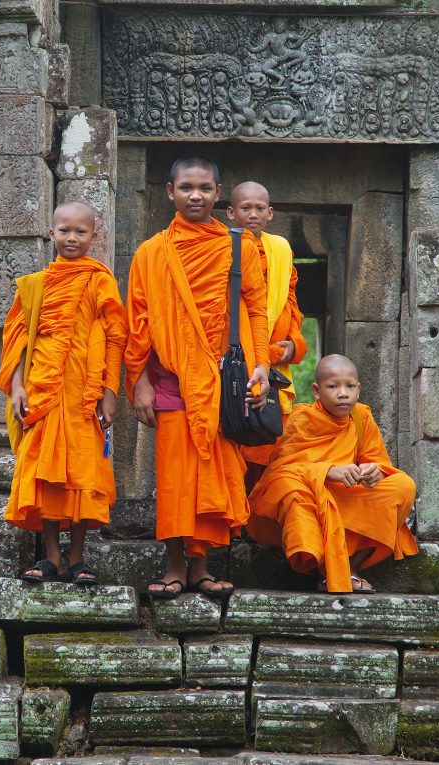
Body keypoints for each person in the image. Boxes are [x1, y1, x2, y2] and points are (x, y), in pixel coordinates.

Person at [125, 157, 270, 599]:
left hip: (222, 381)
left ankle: (202, 567)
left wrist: (261, 365)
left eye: (205, 188)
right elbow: (138, 321)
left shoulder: (238, 246)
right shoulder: (151, 252)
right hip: (168, 378)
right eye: (186, 187)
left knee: (211, 473)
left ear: (218, 192)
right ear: (169, 192)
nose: (195, 195)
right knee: (173, 477)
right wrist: (138, 382)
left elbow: (259, 309)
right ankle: (173, 565)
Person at [0, 201, 126, 586]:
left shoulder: (99, 279)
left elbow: (116, 338)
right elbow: (18, 341)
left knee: (84, 475)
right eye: (64, 231)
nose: (72, 238)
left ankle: (78, 558)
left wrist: (110, 391)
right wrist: (17, 386)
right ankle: (51, 557)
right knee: (45, 475)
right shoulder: (36, 285)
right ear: (50, 233)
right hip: (43, 393)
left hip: (84, 396)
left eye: (80, 232)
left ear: (94, 236)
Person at [247, 354, 418, 593]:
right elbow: (281, 469)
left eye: (349, 386)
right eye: (333, 386)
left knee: (402, 485)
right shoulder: (302, 419)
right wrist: (327, 471)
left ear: (358, 389)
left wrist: (374, 471)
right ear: (317, 391)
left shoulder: (361, 417)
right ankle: (326, 568)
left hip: (345, 496)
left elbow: (376, 459)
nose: (342, 393)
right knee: (289, 488)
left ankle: (349, 567)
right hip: (313, 496)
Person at [225, 182, 307, 483]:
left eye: (260, 208)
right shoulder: (221, 247)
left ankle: (258, 519)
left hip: (272, 361)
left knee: (268, 438)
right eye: (246, 208)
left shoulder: (281, 250)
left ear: (270, 213)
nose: (253, 214)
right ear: (231, 213)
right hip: (234, 356)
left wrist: (294, 345)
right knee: (232, 436)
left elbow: (291, 304)